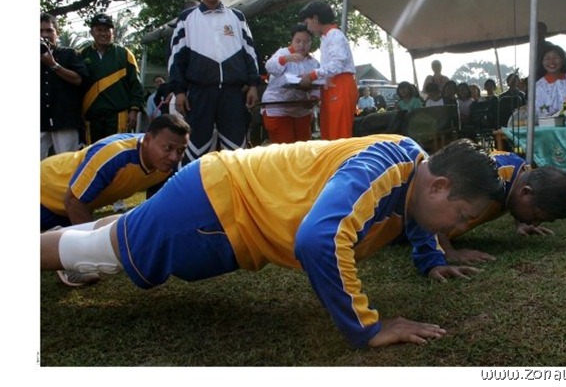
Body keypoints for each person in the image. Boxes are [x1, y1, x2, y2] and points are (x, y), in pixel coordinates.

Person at [41, 137, 505, 348]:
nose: (457, 228)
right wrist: (367, 326)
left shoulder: (411, 170)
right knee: (100, 253)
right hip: (215, 206)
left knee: (113, 237)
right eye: (461, 216)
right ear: (439, 185)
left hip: (219, 197)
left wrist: (430, 258)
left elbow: (415, 217)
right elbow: (319, 240)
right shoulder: (387, 167)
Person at [168, 0, 260, 165]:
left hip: (233, 95)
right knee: (194, 151)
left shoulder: (237, 17)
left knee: (237, 153)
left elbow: (249, 52)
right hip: (199, 94)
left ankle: (235, 194)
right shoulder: (186, 18)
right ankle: (194, 194)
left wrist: (253, 84)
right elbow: (176, 58)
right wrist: (179, 91)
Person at [40, 114, 190, 233]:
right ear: (148, 139)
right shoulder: (115, 154)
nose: (174, 157)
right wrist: (91, 249)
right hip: (44, 190)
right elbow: (73, 201)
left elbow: (155, 211)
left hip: (67, 210)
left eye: (180, 150)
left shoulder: (166, 166)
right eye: (167, 148)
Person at [433, 151, 566, 264]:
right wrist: (449, 251)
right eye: (536, 216)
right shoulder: (487, 179)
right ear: (525, 192)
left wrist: (521, 222)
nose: (535, 223)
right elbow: (433, 204)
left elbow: (514, 195)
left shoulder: (522, 173)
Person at [79, 13, 145, 144]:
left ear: (112, 32)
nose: (103, 34)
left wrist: (134, 110)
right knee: (93, 154)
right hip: (91, 117)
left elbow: (136, 85)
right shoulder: (81, 54)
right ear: (91, 32)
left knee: (117, 153)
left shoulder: (124, 54)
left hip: (118, 116)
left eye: (107, 30)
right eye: (99, 30)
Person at [299, 0, 359, 140]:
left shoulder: (335, 35)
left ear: (315, 18)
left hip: (341, 85)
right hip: (330, 87)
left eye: (307, 23)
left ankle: (342, 162)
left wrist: (313, 75)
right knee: (328, 134)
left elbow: (337, 65)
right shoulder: (326, 38)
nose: (308, 28)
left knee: (339, 134)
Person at [41, 13, 90, 160]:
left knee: (67, 165)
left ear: (57, 32)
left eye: (49, 30)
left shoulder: (70, 54)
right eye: (40, 31)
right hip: (39, 120)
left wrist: (54, 65)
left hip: (64, 120)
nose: (45, 35)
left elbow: (79, 80)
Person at [261, 24, 320, 144]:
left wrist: (313, 98)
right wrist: (285, 59)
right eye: (298, 41)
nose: (302, 45)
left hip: (301, 109)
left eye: (306, 41)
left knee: (302, 146)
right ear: (292, 41)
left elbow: (318, 85)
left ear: (311, 43)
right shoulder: (283, 52)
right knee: (285, 148)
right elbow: (270, 66)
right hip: (277, 108)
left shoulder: (314, 63)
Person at [535, 44, 566, 117]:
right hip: (548, 126)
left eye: (555, 57)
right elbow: (539, 111)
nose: (552, 62)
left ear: (563, 60)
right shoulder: (539, 85)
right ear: (541, 62)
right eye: (547, 58)